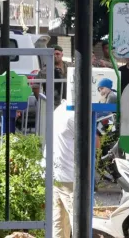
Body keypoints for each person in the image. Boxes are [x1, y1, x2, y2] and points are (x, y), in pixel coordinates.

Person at [52, 100, 76, 238]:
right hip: (69, 174)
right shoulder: (74, 115)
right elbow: (95, 142)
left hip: (55, 171)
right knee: (76, 217)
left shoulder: (59, 110)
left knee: (58, 220)